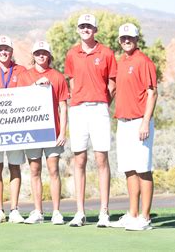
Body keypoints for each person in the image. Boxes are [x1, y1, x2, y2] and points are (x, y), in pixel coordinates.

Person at [64, 14, 117, 227]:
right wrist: (80, 99)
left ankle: (104, 211)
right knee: (79, 160)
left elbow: (112, 85)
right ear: (78, 30)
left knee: (101, 159)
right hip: (78, 110)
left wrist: (103, 102)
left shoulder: (106, 53)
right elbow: (72, 82)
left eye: (89, 26)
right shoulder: (72, 54)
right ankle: (80, 212)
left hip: (99, 110)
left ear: (95, 29)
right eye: (82, 26)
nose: (85, 29)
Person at [110, 23, 157, 231]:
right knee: (129, 169)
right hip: (123, 121)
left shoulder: (143, 61)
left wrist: (146, 121)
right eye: (123, 38)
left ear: (137, 40)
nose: (126, 41)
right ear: (120, 40)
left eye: (130, 38)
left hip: (140, 122)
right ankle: (133, 214)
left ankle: (145, 218)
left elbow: (152, 93)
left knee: (143, 169)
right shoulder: (121, 61)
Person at [18, 41, 68, 225]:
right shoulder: (25, 76)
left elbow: (63, 106)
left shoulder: (58, 77)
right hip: (32, 131)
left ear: (49, 55)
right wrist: (35, 85)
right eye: (38, 53)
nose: (41, 56)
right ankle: (38, 211)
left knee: (54, 170)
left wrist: (62, 132)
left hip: (52, 132)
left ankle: (56, 212)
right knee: (34, 170)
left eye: (44, 53)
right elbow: (20, 101)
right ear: (33, 56)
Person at [0, 35, 27, 224]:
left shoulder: (21, 70)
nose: (3, 52)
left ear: (11, 51)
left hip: (15, 125)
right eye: (0, 49)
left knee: (15, 165)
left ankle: (15, 209)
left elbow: (29, 93)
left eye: (6, 49)